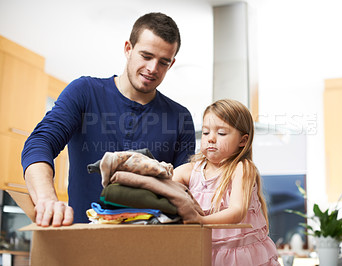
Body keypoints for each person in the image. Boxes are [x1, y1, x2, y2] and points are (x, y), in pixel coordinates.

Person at [21, 12, 196, 227]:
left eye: (164, 62)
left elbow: (184, 188)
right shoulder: (84, 92)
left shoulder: (180, 118)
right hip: (82, 240)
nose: (153, 69)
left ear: (172, 63)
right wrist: (47, 200)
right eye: (146, 56)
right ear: (128, 49)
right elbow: (40, 143)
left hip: (152, 247)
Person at [173, 99, 279, 266]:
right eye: (206, 132)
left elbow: (237, 211)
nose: (211, 139)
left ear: (243, 141)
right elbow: (161, 181)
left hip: (242, 259)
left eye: (221, 133)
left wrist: (199, 221)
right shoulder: (191, 171)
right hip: (205, 254)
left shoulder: (242, 168)